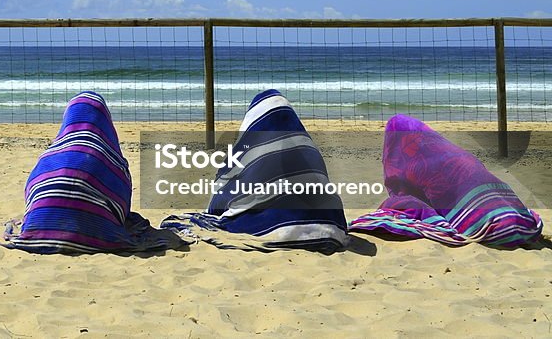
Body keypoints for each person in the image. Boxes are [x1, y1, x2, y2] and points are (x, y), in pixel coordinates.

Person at [0, 91, 182, 254]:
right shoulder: (111, 162)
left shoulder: (49, 156)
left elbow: (30, 192)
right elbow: (121, 208)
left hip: (34, 231)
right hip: (96, 237)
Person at [161, 89, 349, 253]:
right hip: (332, 226)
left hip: (280, 227)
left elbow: (219, 199)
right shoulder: (308, 149)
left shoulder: (249, 153)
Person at [349, 114, 543, 247]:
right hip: (525, 222)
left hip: (495, 227)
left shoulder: (423, 168)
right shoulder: (450, 154)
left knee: (400, 205)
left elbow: (407, 197)